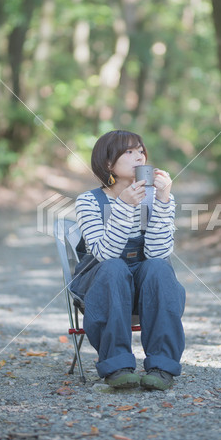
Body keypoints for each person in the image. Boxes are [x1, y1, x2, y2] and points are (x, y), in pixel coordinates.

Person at [70, 130, 185, 391]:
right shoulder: (89, 201)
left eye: (141, 151)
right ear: (109, 164)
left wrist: (163, 201)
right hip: (104, 286)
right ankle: (117, 366)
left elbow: (158, 253)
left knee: (158, 268)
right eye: (129, 152)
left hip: (145, 287)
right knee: (113, 267)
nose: (139, 157)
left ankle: (162, 367)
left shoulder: (157, 198)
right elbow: (104, 254)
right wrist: (123, 207)